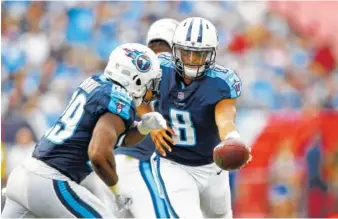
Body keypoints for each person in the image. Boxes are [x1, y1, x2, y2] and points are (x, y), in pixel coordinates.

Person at [1, 43, 167, 218]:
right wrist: (117, 190)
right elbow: (98, 154)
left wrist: (143, 127)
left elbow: (113, 137)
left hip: (23, 174)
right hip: (51, 180)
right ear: (135, 78)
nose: (152, 90)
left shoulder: (96, 83)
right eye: (150, 82)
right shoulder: (118, 99)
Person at [140, 17, 251, 218]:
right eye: (186, 52)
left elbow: (225, 118)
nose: (191, 59)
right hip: (172, 163)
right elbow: (139, 99)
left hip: (212, 166)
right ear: (175, 50)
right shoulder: (160, 69)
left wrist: (232, 138)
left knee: (221, 215)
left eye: (198, 55)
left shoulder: (221, 82)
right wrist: (152, 121)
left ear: (211, 55)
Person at [111, 18, 179, 218]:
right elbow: (140, 100)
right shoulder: (163, 70)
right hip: (137, 162)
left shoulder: (138, 65)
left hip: (122, 161)